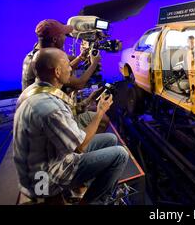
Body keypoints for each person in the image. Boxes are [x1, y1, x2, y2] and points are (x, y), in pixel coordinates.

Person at [14, 48, 129, 204]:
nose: (71, 68)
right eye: (67, 65)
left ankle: (84, 185)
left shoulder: (33, 90)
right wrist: (100, 111)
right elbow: (79, 146)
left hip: (40, 162)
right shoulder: (50, 107)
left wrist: (89, 101)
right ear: (57, 72)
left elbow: (64, 122)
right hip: (47, 176)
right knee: (120, 154)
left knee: (109, 139)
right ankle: (89, 202)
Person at [22, 19, 108, 131]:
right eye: (64, 35)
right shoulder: (46, 61)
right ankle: (89, 143)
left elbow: (63, 66)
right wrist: (94, 63)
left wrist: (81, 57)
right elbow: (79, 84)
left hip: (40, 108)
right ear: (54, 39)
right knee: (103, 119)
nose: (65, 38)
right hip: (47, 115)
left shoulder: (38, 54)